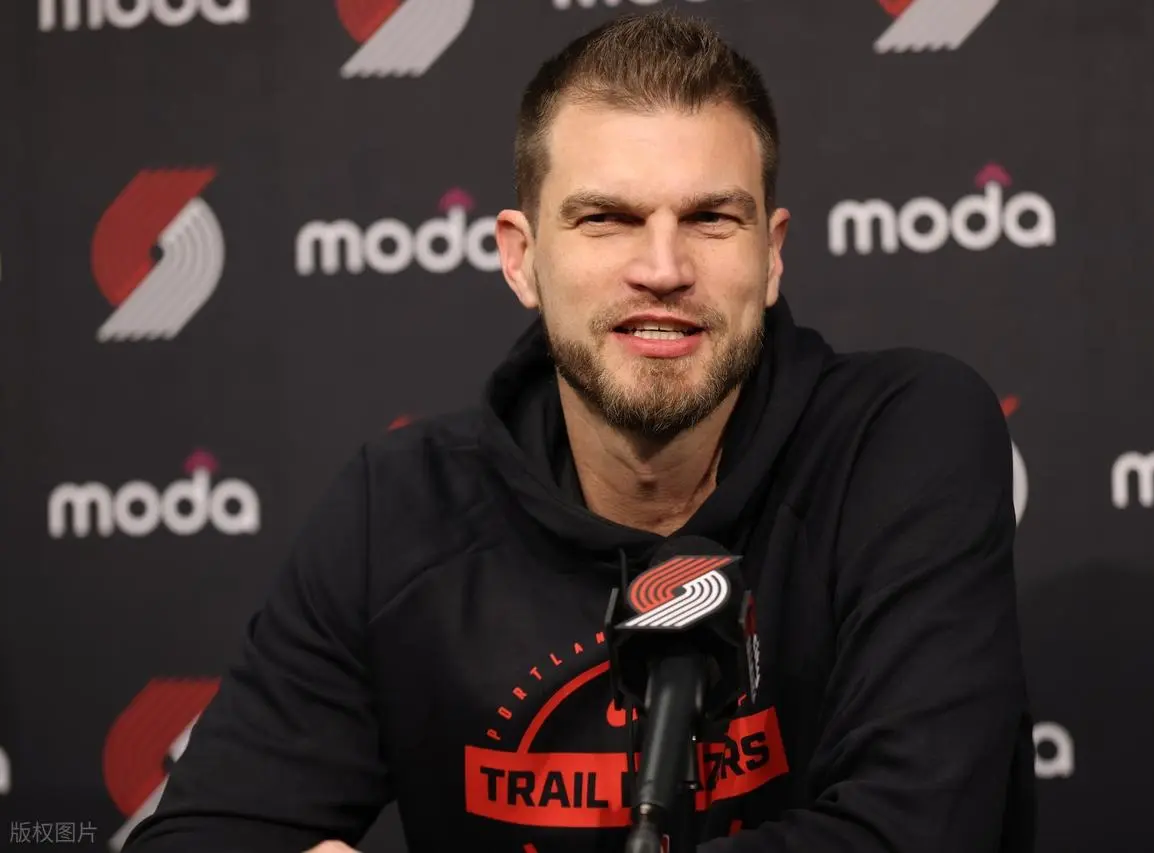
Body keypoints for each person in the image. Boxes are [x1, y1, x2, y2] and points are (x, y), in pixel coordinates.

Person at [123, 9, 1036, 853]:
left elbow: (915, 834)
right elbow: (202, 836)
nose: (663, 267)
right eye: (607, 219)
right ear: (521, 258)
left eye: (712, 219)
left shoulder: (899, 440)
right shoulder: (399, 510)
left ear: (772, 256)